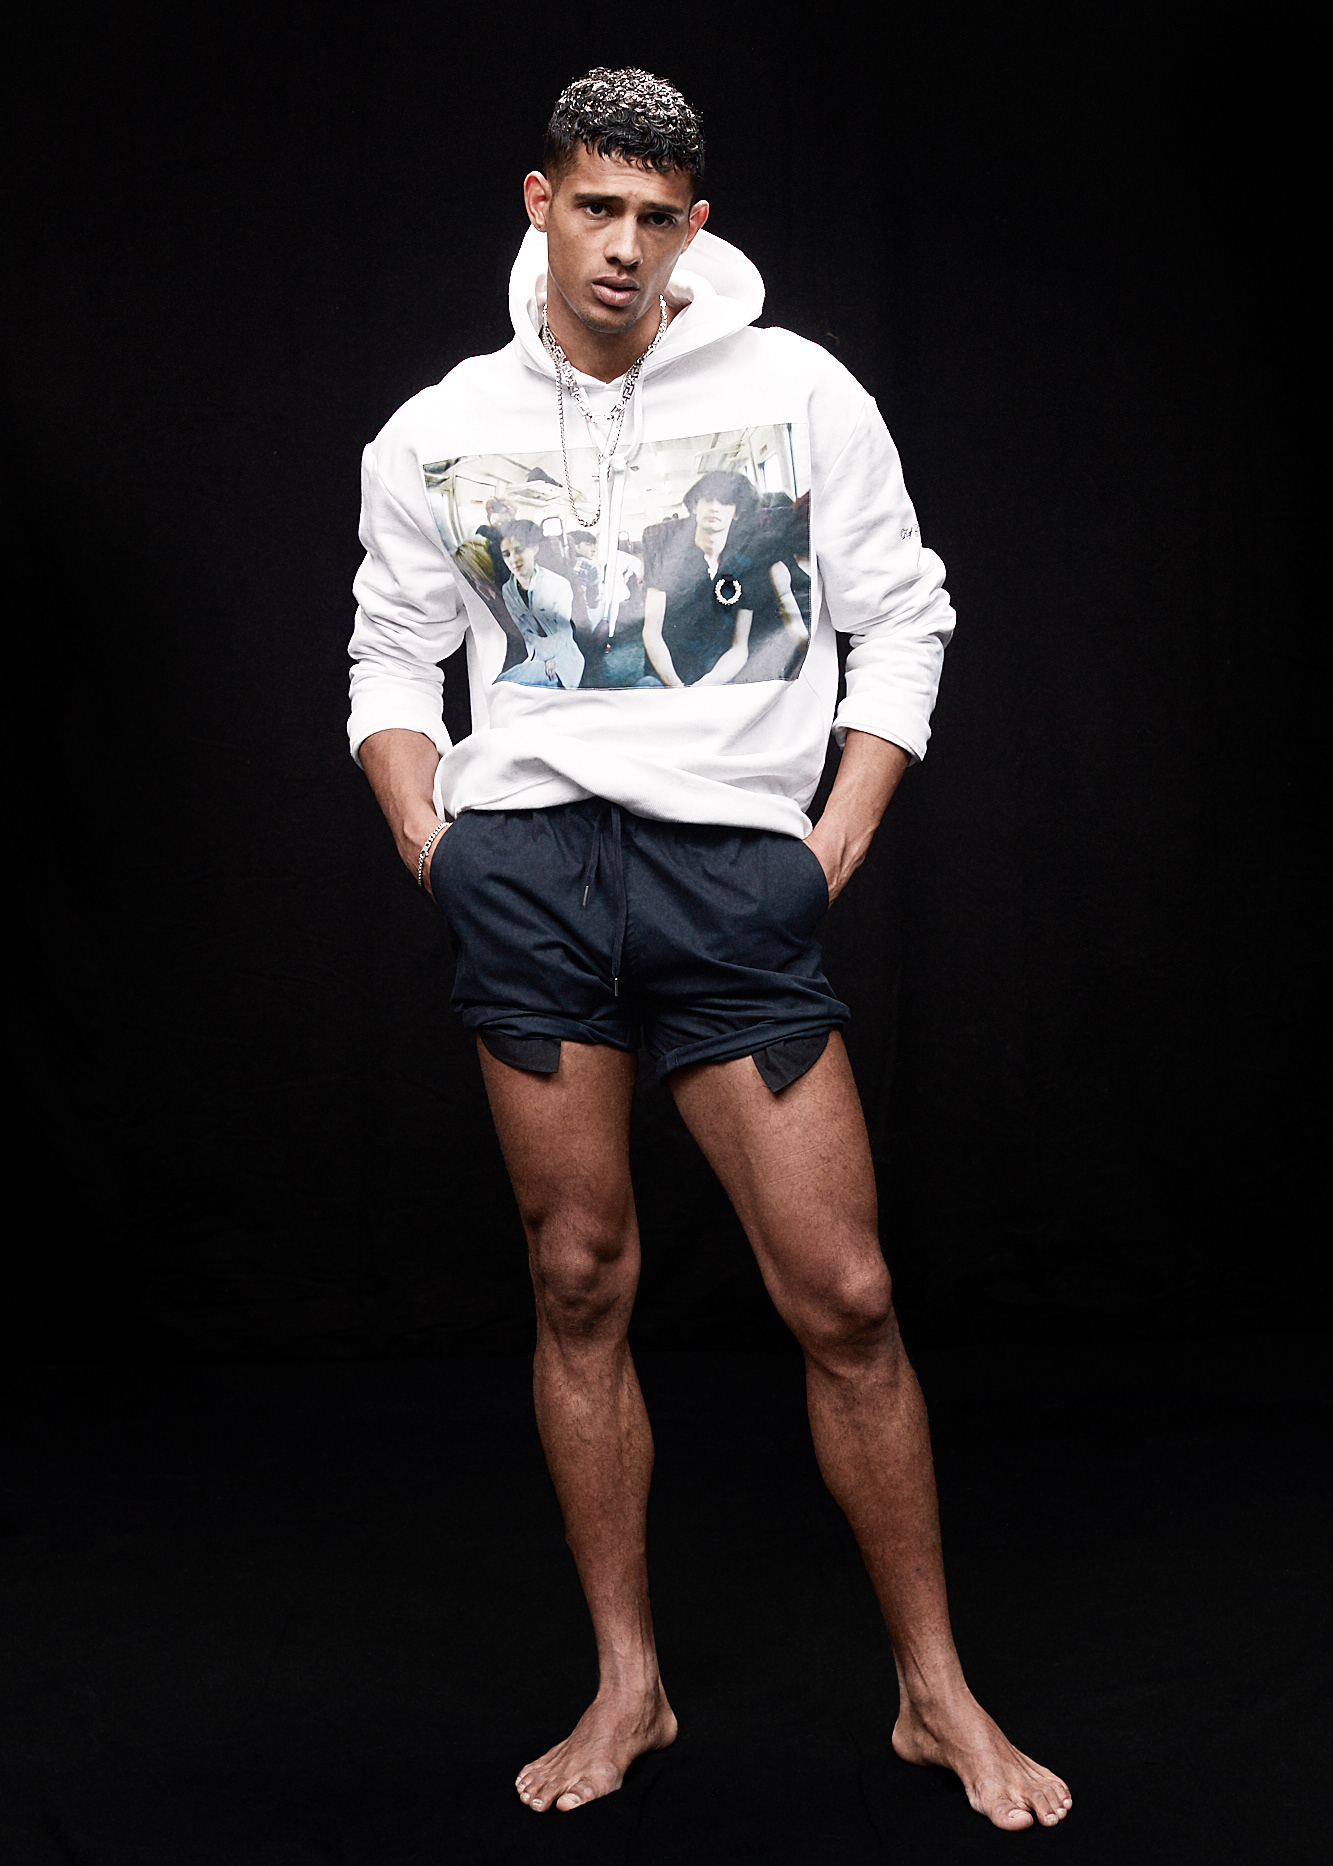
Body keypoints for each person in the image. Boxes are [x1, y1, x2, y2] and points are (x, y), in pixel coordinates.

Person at [348, 67, 1072, 1833]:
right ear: (541, 202)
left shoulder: (797, 392)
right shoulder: (435, 426)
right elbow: (389, 652)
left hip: (731, 879)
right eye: (595, 206)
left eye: (656, 217)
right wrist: (436, 841)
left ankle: (934, 1695)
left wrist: (828, 841)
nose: (624, 246)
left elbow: (904, 613)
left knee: (846, 1294)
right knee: (577, 1279)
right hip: (530, 873)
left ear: (695, 224)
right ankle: (630, 1683)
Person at [495, 518, 585, 689]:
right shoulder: (508, 590)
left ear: (534, 548)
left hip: (563, 657)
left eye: (519, 550)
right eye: (506, 554)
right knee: (504, 682)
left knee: (512, 686)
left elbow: (564, 631)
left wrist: (550, 656)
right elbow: (525, 631)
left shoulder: (558, 584)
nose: (513, 559)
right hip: (535, 657)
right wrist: (543, 656)